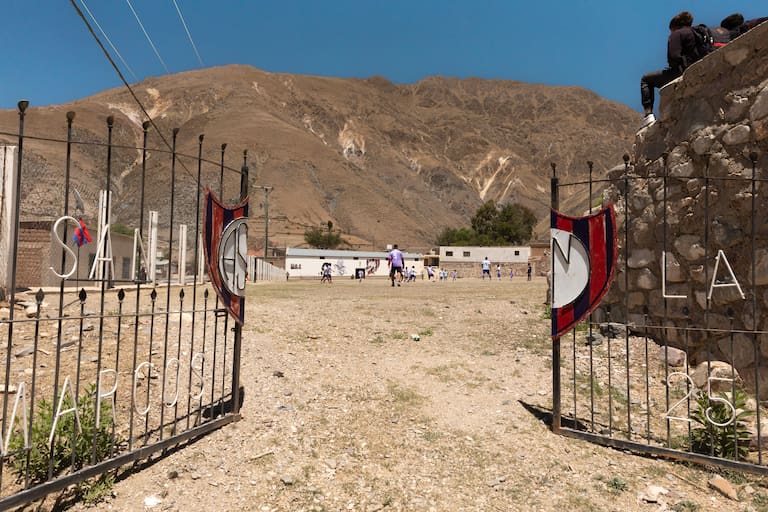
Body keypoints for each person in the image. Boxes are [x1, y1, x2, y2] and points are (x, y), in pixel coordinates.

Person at [639, 11, 701, 128]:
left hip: (682, 71)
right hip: (698, 68)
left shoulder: (677, 34)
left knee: (646, 79)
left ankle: (648, 115)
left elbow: (674, 56)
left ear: (674, 27)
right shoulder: (696, 33)